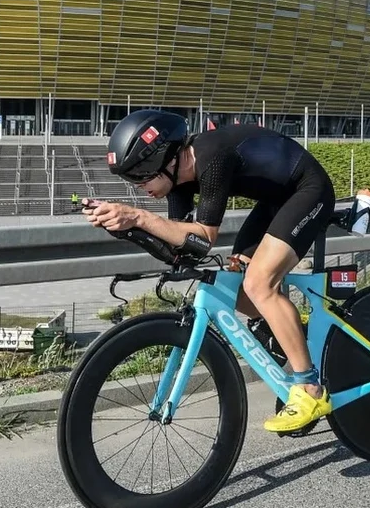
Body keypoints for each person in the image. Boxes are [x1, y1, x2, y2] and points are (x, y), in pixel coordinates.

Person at [84, 108, 336, 433]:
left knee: (261, 285)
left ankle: (310, 390)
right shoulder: (177, 181)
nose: (139, 188)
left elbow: (205, 236)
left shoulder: (212, 156)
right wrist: (123, 227)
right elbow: (187, 247)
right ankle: (293, 333)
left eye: (141, 177)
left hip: (307, 190)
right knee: (238, 291)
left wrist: (140, 217)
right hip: (275, 201)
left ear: (166, 160)